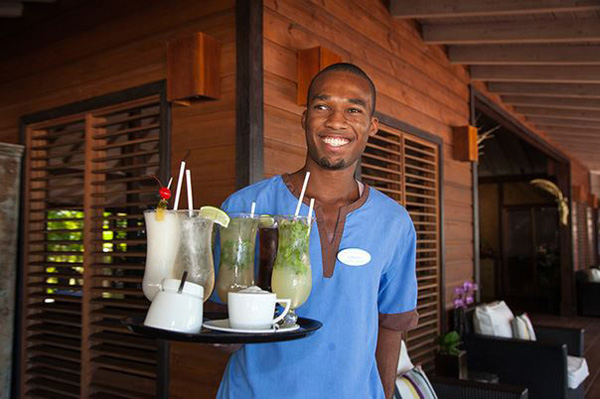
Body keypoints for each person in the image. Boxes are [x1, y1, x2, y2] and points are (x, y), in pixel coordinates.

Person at [215, 62, 418, 399]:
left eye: (353, 110)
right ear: (305, 118)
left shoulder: (393, 223)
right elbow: (226, 337)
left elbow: (390, 327)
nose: (336, 121)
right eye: (322, 106)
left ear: (372, 126)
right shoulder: (245, 208)